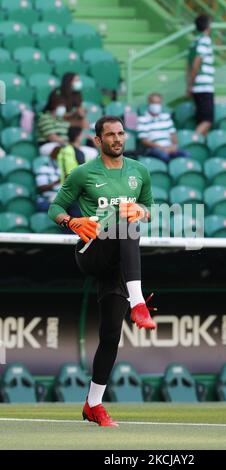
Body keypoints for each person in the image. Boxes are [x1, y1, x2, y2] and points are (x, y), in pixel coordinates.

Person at [48, 116, 156, 427]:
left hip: (121, 263)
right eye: (110, 135)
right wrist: (70, 221)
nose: (117, 139)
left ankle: (92, 405)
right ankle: (139, 304)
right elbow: (55, 207)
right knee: (124, 221)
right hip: (92, 250)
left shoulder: (140, 171)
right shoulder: (83, 173)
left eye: (121, 133)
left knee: (110, 335)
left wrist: (143, 211)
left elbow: (148, 208)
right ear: (98, 141)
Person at [137, 92, 189, 162]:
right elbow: (144, 141)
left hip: (169, 147)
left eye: (158, 103)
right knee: (164, 156)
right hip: (154, 149)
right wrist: (160, 147)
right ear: (149, 103)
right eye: (154, 102)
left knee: (185, 154)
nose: (156, 105)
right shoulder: (142, 119)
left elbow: (173, 135)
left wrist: (174, 146)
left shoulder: (166, 117)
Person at [187, 14, 215, 136]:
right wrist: (191, 84)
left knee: (201, 120)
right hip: (204, 86)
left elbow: (188, 66)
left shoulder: (194, 42)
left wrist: (189, 85)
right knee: (207, 120)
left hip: (197, 87)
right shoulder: (205, 40)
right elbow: (197, 62)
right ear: (208, 26)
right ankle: (192, 140)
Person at [36, 146, 61, 212]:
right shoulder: (43, 169)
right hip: (46, 200)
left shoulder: (66, 169)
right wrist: (58, 181)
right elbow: (41, 189)